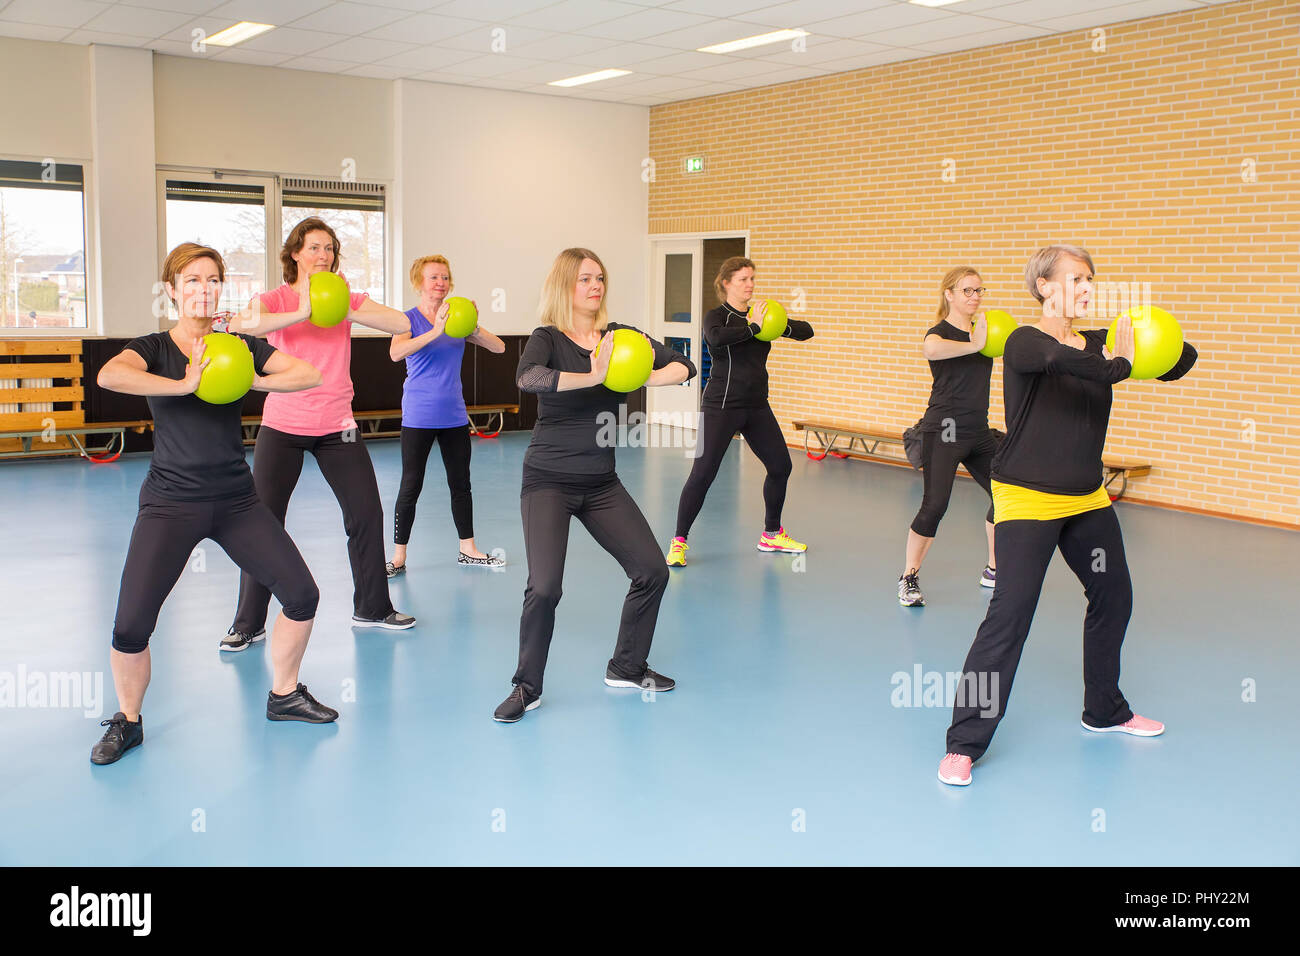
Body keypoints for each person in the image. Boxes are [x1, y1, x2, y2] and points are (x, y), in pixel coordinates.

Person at [938, 245, 1197, 787]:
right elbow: (1062, 361)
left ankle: (1104, 710)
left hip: (1085, 497)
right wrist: (1121, 364)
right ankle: (963, 744)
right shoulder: (1026, 342)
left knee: (1113, 596)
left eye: (1090, 279)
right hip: (1027, 497)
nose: (1086, 287)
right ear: (1044, 287)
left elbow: (1181, 360)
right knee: (1010, 616)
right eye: (1076, 278)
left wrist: (1159, 342)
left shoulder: (1100, 343)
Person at [91, 242, 335, 765]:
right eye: (193, 280)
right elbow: (110, 374)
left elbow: (309, 374)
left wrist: (253, 378)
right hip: (169, 502)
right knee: (130, 625)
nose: (205, 289)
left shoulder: (238, 345)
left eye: (213, 280)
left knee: (301, 593)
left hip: (234, 500)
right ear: (172, 291)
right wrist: (186, 383)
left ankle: (284, 694)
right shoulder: (154, 346)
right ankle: (127, 721)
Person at [493, 247, 696, 723]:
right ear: (566, 285)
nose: (595, 285)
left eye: (600, 277)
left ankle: (626, 667)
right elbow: (528, 379)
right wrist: (596, 375)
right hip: (547, 480)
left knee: (652, 570)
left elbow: (683, 364)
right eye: (585, 278)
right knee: (544, 587)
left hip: (601, 482)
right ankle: (527, 687)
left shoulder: (621, 336)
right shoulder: (548, 337)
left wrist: (643, 374)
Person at [223, 217, 416, 649]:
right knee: (262, 523)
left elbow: (402, 321)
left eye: (329, 248)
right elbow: (240, 325)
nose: (323, 255)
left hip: (338, 427)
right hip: (283, 424)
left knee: (366, 513)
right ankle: (248, 622)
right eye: (314, 248)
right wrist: (303, 312)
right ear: (295, 253)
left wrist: (346, 308)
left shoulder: (345, 295)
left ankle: (373, 607)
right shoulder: (275, 298)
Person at [665, 256, 813, 567]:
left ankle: (772, 534)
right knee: (703, 474)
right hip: (721, 405)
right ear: (726, 284)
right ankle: (679, 541)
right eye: (744, 279)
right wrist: (754, 327)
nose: (750, 285)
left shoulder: (764, 316)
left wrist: (778, 325)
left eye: (752, 279)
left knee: (780, 466)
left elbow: (807, 331)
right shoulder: (716, 317)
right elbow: (716, 339)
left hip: (756, 405)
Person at [387, 255, 506, 576]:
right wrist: (436, 330)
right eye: (433, 277)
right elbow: (396, 352)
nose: (440, 282)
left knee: (461, 484)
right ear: (418, 283)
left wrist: (472, 326)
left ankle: (468, 549)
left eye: (444, 277)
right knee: (411, 485)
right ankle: (398, 556)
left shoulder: (459, 319)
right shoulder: (407, 319)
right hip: (418, 416)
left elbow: (499, 348)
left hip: (454, 415)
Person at [899, 267, 999, 607]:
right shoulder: (940, 334)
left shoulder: (984, 332)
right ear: (950, 295)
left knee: (1007, 495)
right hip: (943, 430)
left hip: (978, 432)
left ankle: (994, 570)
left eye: (979, 290)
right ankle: (909, 577)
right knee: (935, 504)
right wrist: (975, 345)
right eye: (967, 290)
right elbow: (931, 349)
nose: (975, 297)